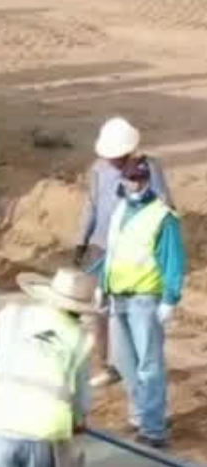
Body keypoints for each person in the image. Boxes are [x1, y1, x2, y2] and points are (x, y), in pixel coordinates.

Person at [90, 157, 184, 449]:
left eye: (140, 180)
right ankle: (141, 414)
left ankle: (154, 429)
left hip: (145, 300)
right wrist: (102, 285)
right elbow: (113, 252)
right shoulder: (120, 210)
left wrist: (170, 298)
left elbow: (173, 260)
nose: (135, 184)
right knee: (127, 363)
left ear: (148, 181)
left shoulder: (162, 216)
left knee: (149, 365)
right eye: (131, 179)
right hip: (119, 297)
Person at [74, 117, 173, 388]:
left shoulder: (149, 169)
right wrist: (81, 241)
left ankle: (136, 363)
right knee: (100, 309)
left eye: (117, 157)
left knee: (133, 311)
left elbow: (165, 207)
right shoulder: (97, 169)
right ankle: (105, 365)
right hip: (101, 247)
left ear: (129, 151)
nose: (112, 162)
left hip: (134, 255)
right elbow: (91, 206)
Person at [0, 268, 95, 467]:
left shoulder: (11, 314)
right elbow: (81, 398)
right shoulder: (80, 338)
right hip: (46, 435)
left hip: (2, 423)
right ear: (82, 309)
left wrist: (1, 388)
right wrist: (78, 419)